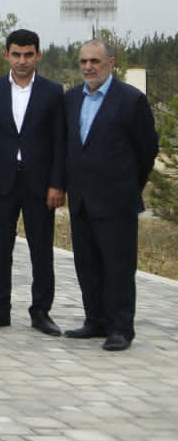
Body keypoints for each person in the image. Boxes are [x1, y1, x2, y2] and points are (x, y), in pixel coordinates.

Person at [57, 38, 159, 351]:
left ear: (110, 63)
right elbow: (68, 146)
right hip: (82, 200)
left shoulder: (130, 100)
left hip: (117, 202)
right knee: (86, 264)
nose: (88, 67)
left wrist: (128, 186)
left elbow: (147, 151)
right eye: (83, 62)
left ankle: (120, 328)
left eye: (95, 62)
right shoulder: (71, 99)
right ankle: (96, 321)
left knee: (118, 267)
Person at [0, 29, 66, 335]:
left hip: (40, 185)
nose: (22, 61)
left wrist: (57, 183)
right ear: (7, 55)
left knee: (41, 249)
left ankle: (41, 312)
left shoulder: (53, 92)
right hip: (1, 182)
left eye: (28, 54)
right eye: (16, 54)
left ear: (38, 55)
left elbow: (59, 141)